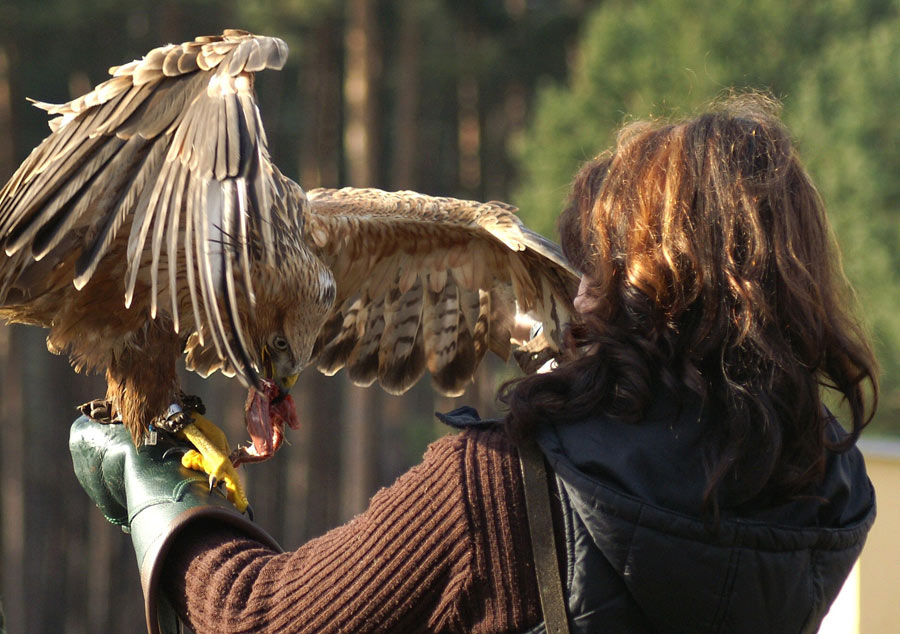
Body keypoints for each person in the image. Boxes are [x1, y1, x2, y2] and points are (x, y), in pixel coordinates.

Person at [71, 93, 877, 634]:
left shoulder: (499, 490)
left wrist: (169, 500)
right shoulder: (820, 508)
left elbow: (260, 617)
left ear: (640, 290)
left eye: (592, 265)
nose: (576, 294)